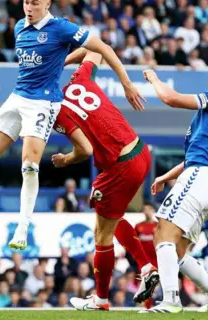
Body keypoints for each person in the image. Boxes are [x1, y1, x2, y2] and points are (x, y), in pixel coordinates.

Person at [0, 0, 144, 249]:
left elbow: (101, 48)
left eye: (35, 3)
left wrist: (127, 84)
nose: (29, 8)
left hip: (43, 103)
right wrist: (61, 61)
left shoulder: (60, 27)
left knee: (29, 165)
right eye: (26, 2)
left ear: (47, 3)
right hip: (17, 97)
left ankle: (23, 227)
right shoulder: (18, 28)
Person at [48, 49, 156, 311]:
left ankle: (102, 299)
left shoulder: (56, 112)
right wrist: (61, 60)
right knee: (109, 216)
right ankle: (145, 266)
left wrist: (65, 160)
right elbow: (94, 49)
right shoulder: (78, 80)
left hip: (120, 165)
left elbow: (84, 150)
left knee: (102, 234)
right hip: (140, 151)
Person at [141, 64, 208, 313]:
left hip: (199, 178)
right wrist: (165, 175)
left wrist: (153, 79)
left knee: (163, 231)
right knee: (178, 249)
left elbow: (170, 98)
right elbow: (196, 157)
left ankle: (171, 300)